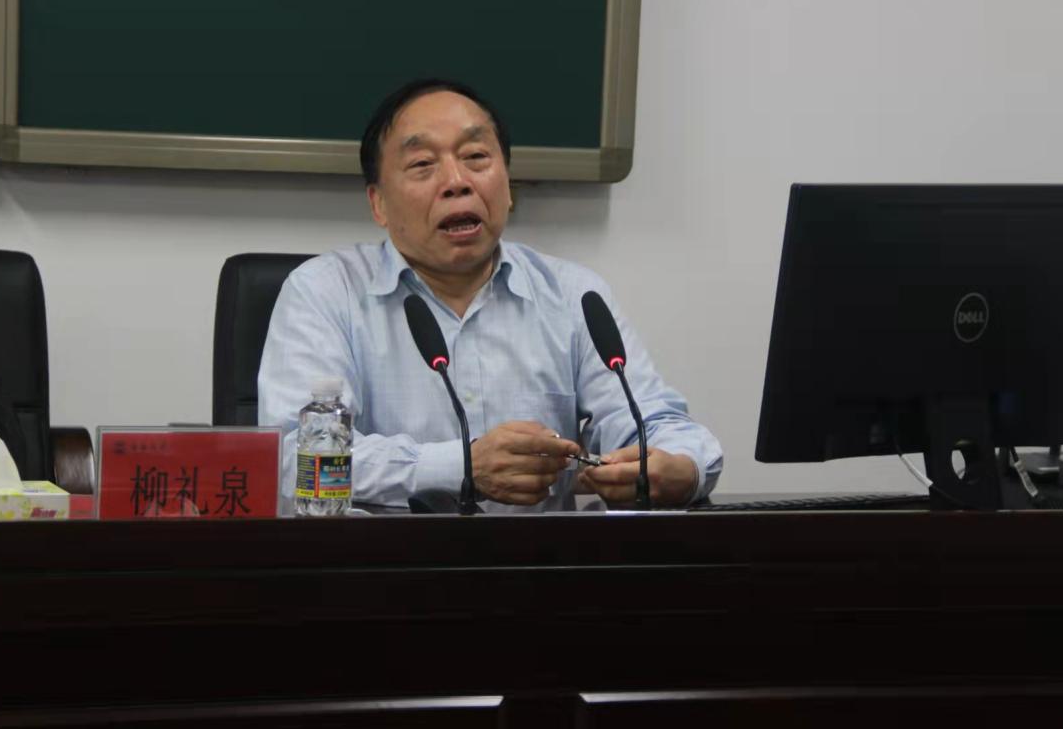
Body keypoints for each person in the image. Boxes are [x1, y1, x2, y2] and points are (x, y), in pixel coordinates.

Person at [258, 79, 722, 512]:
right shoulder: (325, 292)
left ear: (508, 186)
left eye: (476, 157)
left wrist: (680, 469)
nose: (457, 181)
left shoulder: (573, 295)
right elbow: (290, 458)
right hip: (382, 565)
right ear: (378, 203)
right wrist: (461, 466)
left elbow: (655, 423)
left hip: (543, 566)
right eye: (422, 165)